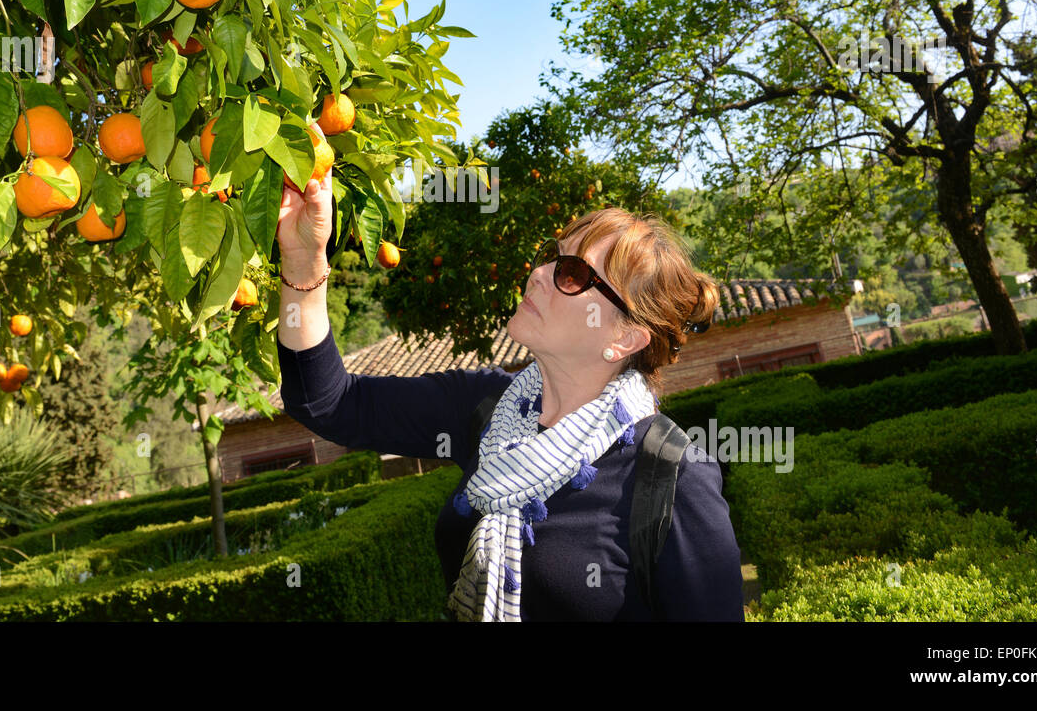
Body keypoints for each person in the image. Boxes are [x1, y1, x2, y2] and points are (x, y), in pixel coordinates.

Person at [275, 165, 744, 622]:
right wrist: (304, 261)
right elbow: (327, 402)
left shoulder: (672, 476)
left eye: (573, 273)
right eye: (549, 255)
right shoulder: (483, 408)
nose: (539, 273)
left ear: (624, 338)